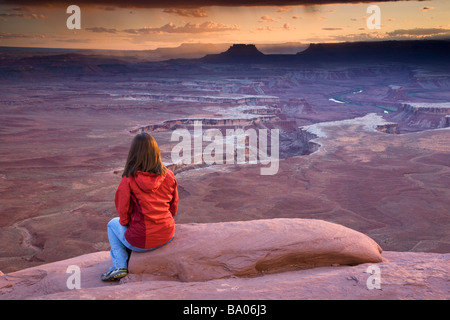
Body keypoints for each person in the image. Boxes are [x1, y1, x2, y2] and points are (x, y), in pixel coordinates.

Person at [101, 132, 178, 281]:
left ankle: (120, 266)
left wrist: (130, 226)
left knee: (112, 224)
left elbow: (123, 213)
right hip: (167, 234)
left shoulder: (129, 178)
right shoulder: (169, 175)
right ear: (156, 152)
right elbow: (173, 207)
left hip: (141, 241)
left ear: (134, 153)